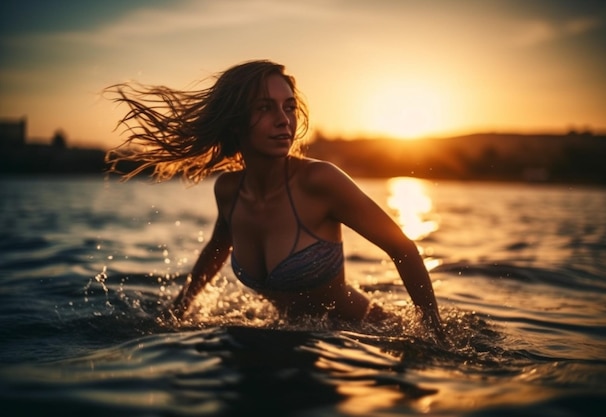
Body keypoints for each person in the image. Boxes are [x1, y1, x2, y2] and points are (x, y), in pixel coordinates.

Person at [105, 59, 445, 339]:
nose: (283, 120)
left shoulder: (319, 181)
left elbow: (402, 248)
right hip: (282, 341)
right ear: (236, 121)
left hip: (361, 338)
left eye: (289, 107)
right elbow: (218, 247)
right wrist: (179, 309)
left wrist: (433, 335)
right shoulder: (228, 190)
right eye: (265, 108)